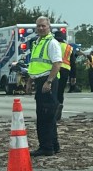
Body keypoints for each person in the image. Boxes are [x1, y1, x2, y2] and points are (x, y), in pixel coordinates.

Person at [25, 16, 62, 157]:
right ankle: (53, 145)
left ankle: (46, 147)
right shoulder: (38, 42)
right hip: (40, 81)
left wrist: (49, 81)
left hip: (48, 82)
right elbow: (34, 65)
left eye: (43, 26)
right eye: (38, 26)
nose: (41, 28)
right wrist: (29, 81)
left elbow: (57, 63)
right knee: (48, 116)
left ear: (49, 27)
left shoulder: (52, 43)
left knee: (44, 117)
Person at [53, 30, 72, 121]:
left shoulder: (53, 45)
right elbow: (73, 62)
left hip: (55, 69)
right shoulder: (68, 47)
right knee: (61, 90)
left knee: (54, 89)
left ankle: (55, 106)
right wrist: (73, 76)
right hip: (65, 70)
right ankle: (60, 103)